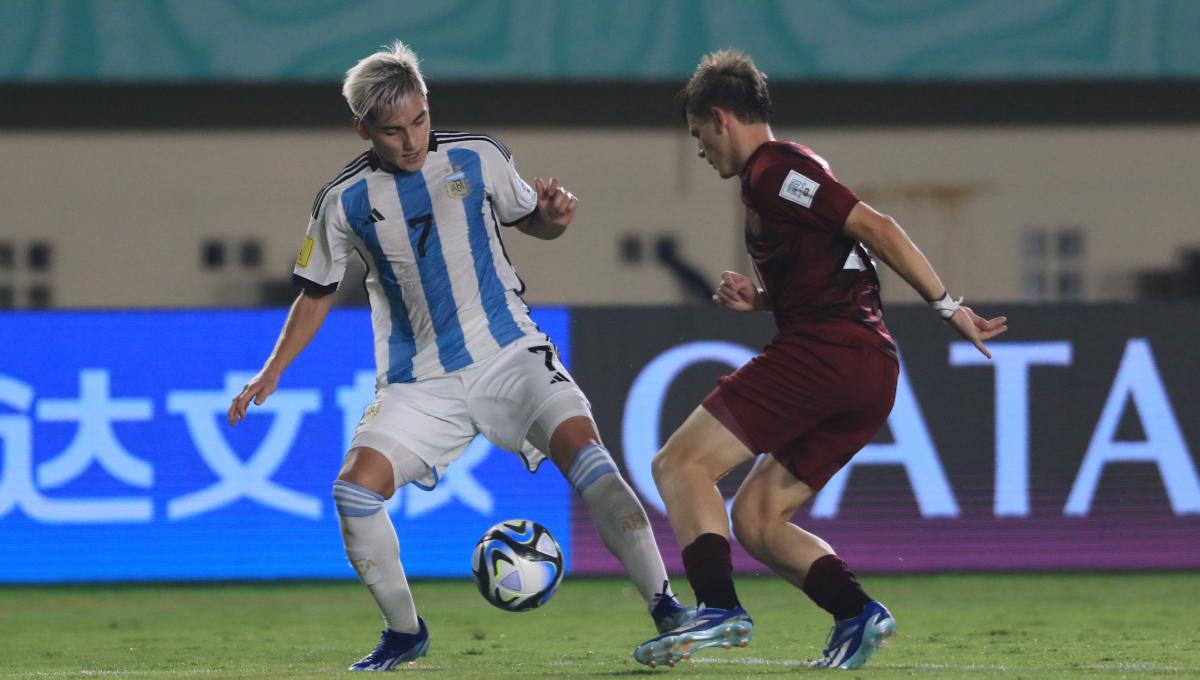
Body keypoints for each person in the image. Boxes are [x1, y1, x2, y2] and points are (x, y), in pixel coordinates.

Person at [226, 40, 691, 672]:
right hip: (419, 382)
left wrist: (554, 217)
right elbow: (315, 292)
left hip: (511, 353)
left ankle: (668, 608)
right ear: (363, 128)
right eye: (393, 130)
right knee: (354, 493)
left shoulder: (478, 155)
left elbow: (534, 221)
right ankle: (404, 632)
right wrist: (271, 370)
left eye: (419, 120)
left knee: (592, 460)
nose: (412, 139)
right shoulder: (343, 201)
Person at [633, 50, 1008, 670]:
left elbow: (879, 229)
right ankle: (856, 613)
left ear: (721, 119)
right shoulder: (792, 172)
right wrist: (764, 300)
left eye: (699, 135)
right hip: (866, 369)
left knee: (680, 464)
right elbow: (833, 264)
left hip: (828, 351)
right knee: (757, 519)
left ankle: (719, 607)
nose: (700, 151)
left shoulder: (773, 173)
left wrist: (949, 307)